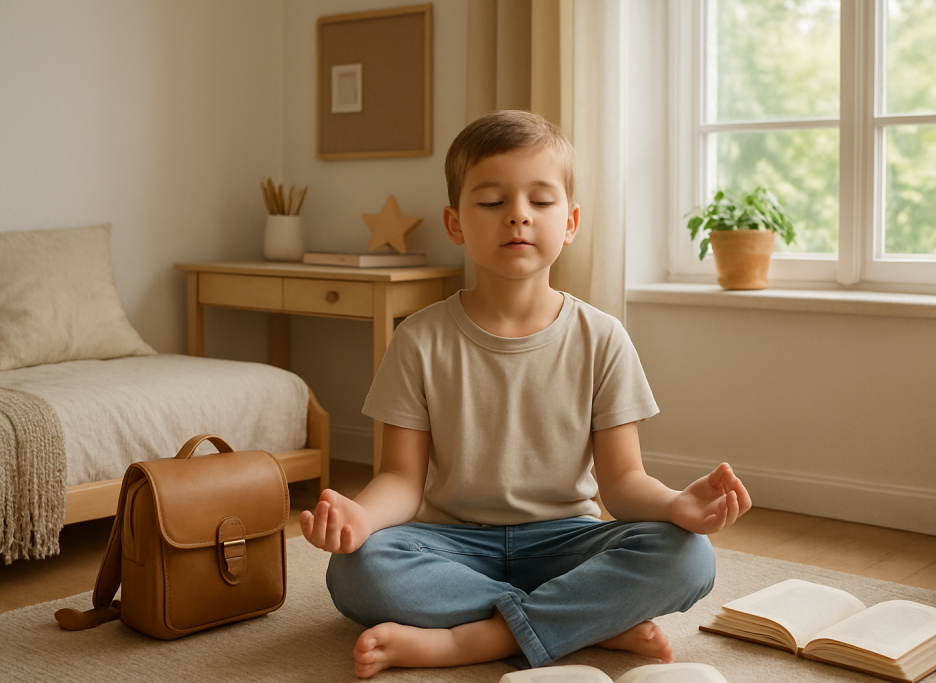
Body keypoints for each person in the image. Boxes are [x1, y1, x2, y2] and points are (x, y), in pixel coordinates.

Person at [301, 110, 752, 679]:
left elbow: (622, 483)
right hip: (453, 541)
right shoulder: (417, 338)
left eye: (540, 201)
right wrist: (360, 518)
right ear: (455, 221)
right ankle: (586, 619)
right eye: (492, 202)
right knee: (356, 569)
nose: (517, 215)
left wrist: (676, 506)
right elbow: (401, 480)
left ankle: (472, 641)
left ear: (570, 222)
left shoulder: (603, 337)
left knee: (689, 555)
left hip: (569, 538)